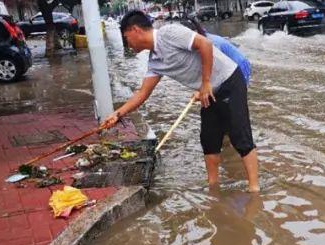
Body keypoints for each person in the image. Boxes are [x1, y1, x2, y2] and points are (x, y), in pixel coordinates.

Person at [101, 10, 259, 192]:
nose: (127, 45)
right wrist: (117, 114)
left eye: (126, 38)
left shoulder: (169, 33)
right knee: (209, 140)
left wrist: (205, 83)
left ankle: (254, 189)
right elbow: (142, 94)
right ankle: (213, 188)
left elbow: (205, 44)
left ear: (135, 30)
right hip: (207, 92)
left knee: (240, 135)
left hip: (229, 80)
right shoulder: (154, 62)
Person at [180, 17, 251, 85]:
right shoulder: (202, 36)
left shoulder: (210, 43)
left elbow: (215, 66)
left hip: (240, 66)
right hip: (234, 64)